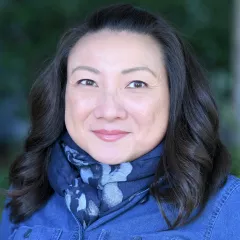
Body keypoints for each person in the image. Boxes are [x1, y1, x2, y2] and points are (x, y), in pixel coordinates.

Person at [0, 3, 239, 240]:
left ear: (175, 96)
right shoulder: (28, 194)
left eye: (137, 84)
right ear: (62, 95)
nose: (109, 110)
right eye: (87, 82)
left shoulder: (229, 209)